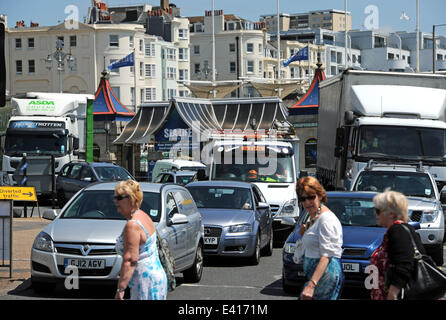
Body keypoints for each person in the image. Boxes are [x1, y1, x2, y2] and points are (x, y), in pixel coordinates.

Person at [114, 180, 167, 300]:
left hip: (145, 281)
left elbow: (130, 259)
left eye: (120, 197)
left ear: (131, 199)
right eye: (115, 197)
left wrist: (121, 289)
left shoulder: (132, 225)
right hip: (155, 278)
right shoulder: (143, 215)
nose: (116, 201)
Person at [369, 190, 427, 300]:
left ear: (391, 214)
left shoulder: (397, 230)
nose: (375, 214)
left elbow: (404, 264)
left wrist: (393, 293)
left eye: (378, 211)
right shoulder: (404, 229)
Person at [296, 176, 344, 300]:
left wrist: (311, 285)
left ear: (320, 196)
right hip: (317, 276)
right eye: (303, 198)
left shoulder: (326, 219)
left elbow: (326, 255)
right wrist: (304, 232)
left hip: (325, 277)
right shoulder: (313, 217)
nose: (307, 202)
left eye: (311, 197)